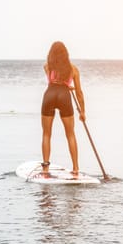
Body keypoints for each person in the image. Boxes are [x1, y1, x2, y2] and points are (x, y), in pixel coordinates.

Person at [40, 41, 86, 177]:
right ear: (66, 54)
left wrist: (64, 85)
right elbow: (79, 93)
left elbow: (54, 81)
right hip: (64, 97)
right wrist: (82, 111)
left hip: (49, 95)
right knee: (70, 134)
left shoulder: (47, 66)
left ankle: (45, 168)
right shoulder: (73, 69)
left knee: (46, 134)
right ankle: (76, 168)